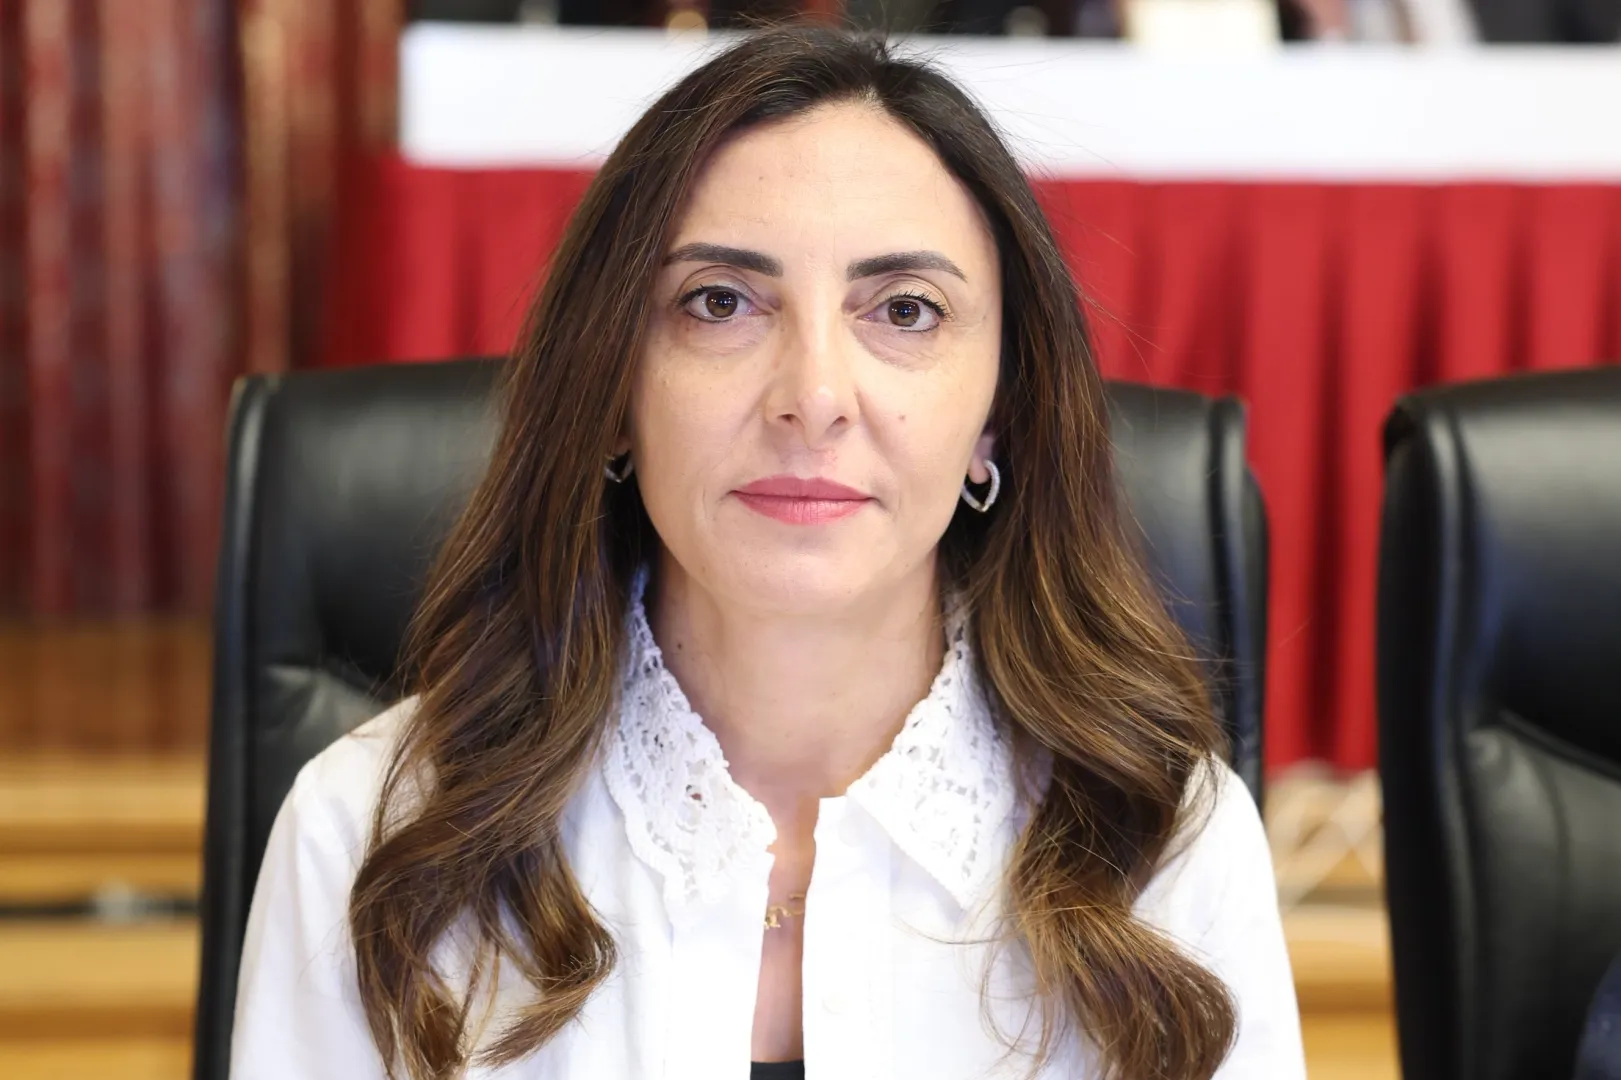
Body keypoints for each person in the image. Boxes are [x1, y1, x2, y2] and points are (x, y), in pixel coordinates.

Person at [229, 25, 1305, 1080]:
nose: (814, 397)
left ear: (1000, 416)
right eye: (720, 303)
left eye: (905, 311)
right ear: (611, 389)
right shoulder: (366, 836)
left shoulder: (1164, 847)